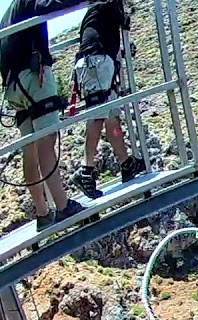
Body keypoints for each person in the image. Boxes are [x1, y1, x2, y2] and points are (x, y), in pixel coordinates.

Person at [0, 0, 87, 230]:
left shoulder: (7, 16)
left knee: (30, 149)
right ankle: (63, 206)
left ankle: (42, 212)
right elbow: (50, 5)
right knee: (47, 141)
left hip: (13, 86)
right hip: (33, 76)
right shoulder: (26, 1)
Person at [69, 0, 145, 199]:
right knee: (98, 116)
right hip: (98, 60)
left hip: (96, 61)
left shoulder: (99, 7)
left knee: (111, 116)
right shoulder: (110, 2)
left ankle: (125, 162)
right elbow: (124, 21)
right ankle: (86, 169)